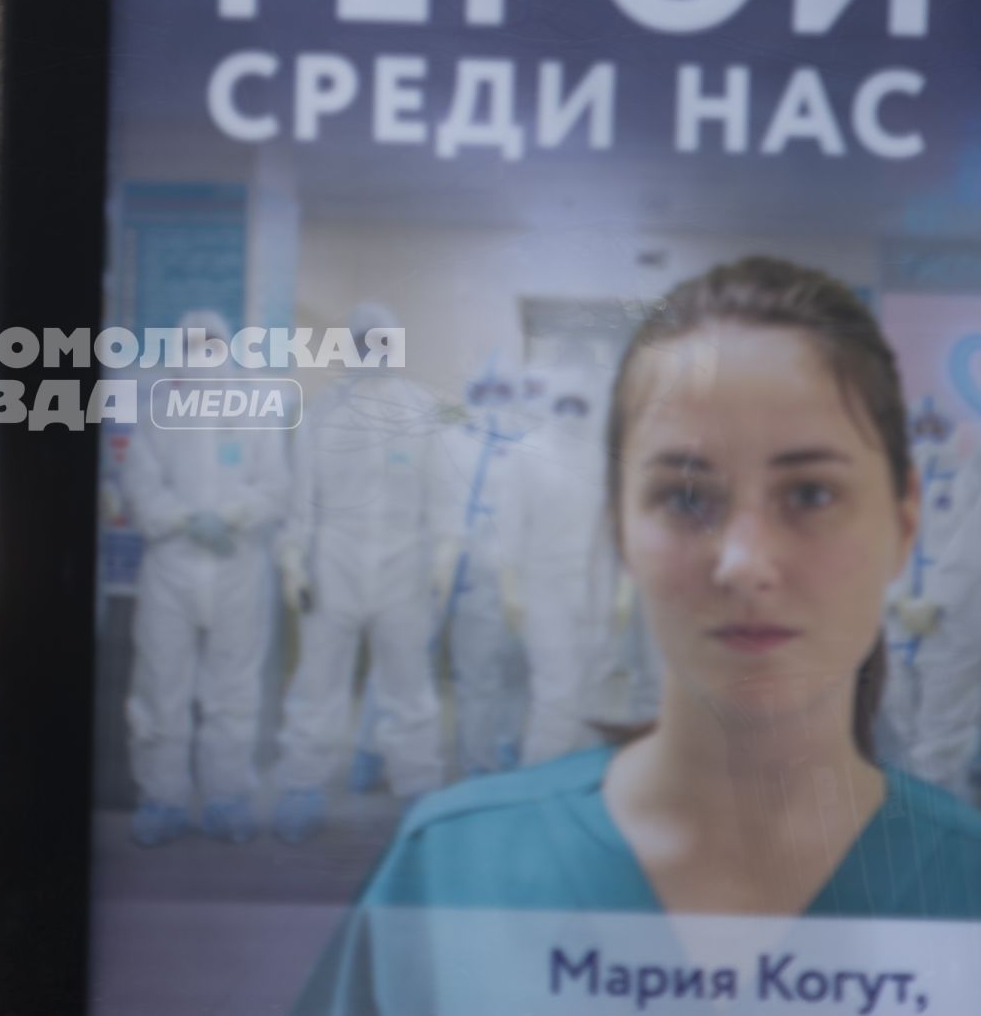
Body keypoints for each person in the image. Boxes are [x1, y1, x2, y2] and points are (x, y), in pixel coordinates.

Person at [295, 257, 981, 1016]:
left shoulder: (963, 887)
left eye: (811, 493)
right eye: (686, 496)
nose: (745, 561)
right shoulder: (450, 875)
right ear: (619, 525)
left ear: (904, 523)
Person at [273, 302, 444, 844]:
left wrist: (443, 554)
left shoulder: (421, 411)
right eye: (364, 341)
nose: (374, 351)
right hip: (335, 566)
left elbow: (441, 496)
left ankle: (420, 791)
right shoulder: (324, 413)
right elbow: (301, 498)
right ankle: (302, 788)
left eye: (382, 341)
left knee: (409, 687)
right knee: (318, 684)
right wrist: (293, 559)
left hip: (404, 567)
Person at [122, 308, 291, 846]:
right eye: (193, 346)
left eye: (211, 345)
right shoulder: (158, 410)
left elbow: (275, 488)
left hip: (238, 564)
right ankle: (163, 799)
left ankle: (227, 799)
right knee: (160, 687)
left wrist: (234, 516)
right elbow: (140, 486)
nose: (203, 356)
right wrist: (184, 520)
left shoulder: (256, 411)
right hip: (171, 565)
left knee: (233, 690)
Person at [513, 370, 620, 766]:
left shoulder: (601, 460)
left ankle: (580, 782)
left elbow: (612, 534)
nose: (572, 414)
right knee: (556, 690)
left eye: (581, 405)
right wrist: (511, 587)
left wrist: (620, 591)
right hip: (542, 586)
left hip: (595, 586)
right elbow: (511, 525)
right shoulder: (528, 452)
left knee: (594, 689)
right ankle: (537, 780)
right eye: (564, 404)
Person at [432, 359, 532, 778]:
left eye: (503, 392)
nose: (493, 403)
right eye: (484, 392)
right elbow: (438, 506)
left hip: (524, 577)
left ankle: (510, 743)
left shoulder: (533, 445)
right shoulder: (451, 442)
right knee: (475, 676)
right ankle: (477, 761)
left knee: (521, 671)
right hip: (470, 575)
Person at [878, 399, 981, 796]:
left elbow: (974, 541)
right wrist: (894, 597)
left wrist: (938, 598)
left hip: (953, 625)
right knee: (900, 728)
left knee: (944, 738)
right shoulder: (891, 482)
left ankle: (945, 835)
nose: (926, 432)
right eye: (918, 425)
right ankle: (914, 823)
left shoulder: (970, 474)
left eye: (936, 424)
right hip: (897, 621)